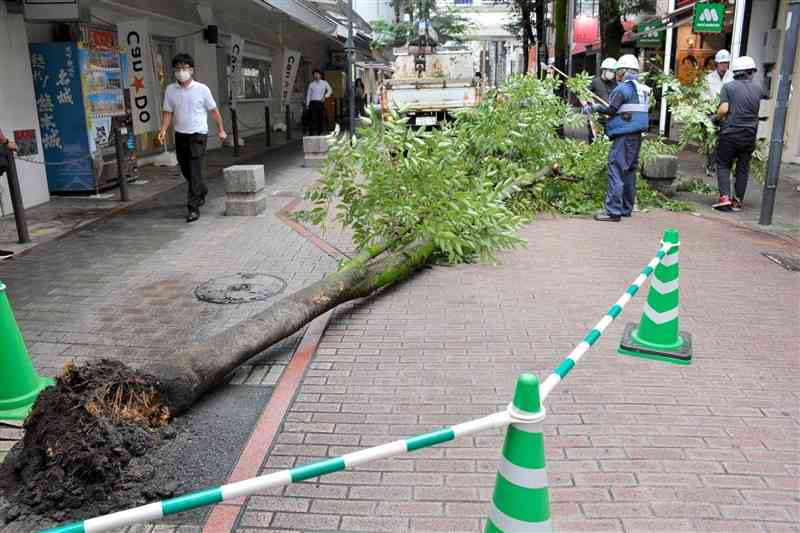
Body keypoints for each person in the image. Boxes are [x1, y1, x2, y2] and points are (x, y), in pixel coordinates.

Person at [157, 53, 226, 223]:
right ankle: (201, 189)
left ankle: (193, 207)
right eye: (178, 69)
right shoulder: (170, 90)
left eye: (184, 68)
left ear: (191, 70)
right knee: (186, 169)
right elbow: (168, 112)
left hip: (198, 135)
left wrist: (221, 130)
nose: (181, 72)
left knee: (195, 170)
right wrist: (164, 129)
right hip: (180, 134)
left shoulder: (202, 89)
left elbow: (214, 111)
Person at [589, 54, 651, 222]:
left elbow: (611, 109)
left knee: (616, 169)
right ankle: (625, 208)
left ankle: (613, 211)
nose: (616, 75)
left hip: (624, 136)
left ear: (623, 71)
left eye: (618, 72)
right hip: (637, 136)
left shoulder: (622, 89)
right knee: (629, 171)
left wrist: (596, 108)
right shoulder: (643, 90)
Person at [712, 56, 762, 212]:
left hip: (730, 133)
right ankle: (737, 201)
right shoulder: (758, 88)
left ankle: (725, 197)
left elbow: (724, 109)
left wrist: (715, 118)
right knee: (742, 168)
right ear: (750, 72)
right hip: (749, 135)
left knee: (723, 164)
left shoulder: (729, 87)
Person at [704, 49, 734, 175]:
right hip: (712, 112)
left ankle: (723, 165)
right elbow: (703, 95)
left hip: (728, 113)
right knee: (711, 140)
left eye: (726, 63)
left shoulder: (732, 78)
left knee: (725, 140)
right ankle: (710, 165)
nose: (723, 65)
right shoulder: (709, 78)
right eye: (721, 63)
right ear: (717, 63)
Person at [587, 57, 618, 137]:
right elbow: (584, 95)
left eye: (613, 71)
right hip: (597, 118)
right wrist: (589, 105)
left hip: (610, 118)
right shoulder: (594, 82)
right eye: (610, 71)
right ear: (604, 70)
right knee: (595, 141)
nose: (612, 73)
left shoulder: (615, 84)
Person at [306, 69, 332, 135]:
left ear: (320, 75)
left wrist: (325, 96)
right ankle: (311, 133)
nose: (316, 75)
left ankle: (319, 133)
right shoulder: (311, 84)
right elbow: (308, 94)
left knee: (320, 118)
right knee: (312, 119)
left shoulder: (324, 83)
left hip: (320, 102)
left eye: (317, 74)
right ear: (313, 76)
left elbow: (330, 90)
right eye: (315, 74)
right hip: (312, 103)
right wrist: (307, 104)